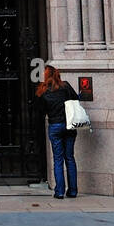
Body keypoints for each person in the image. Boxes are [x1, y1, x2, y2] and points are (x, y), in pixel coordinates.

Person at [36, 66, 79, 199]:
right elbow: (76, 99)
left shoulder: (43, 91)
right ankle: (72, 191)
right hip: (69, 125)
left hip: (55, 126)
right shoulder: (65, 87)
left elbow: (41, 112)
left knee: (58, 160)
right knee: (70, 158)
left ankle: (59, 191)